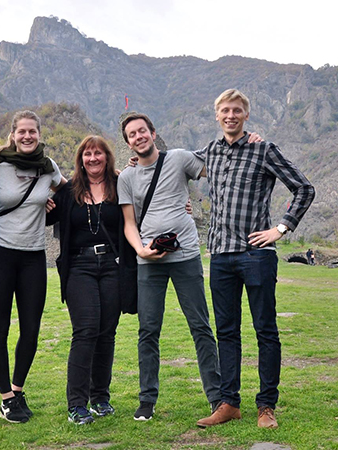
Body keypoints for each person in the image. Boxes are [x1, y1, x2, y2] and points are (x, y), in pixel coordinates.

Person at [196, 89, 315, 429]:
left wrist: (281, 228)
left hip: (256, 255)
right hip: (220, 255)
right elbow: (170, 165)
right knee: (227, 332)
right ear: (217, 115)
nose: (230, 116)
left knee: (265, 330)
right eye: (224, 111)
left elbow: (304, 188)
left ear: (246, 115)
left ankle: (266, 406)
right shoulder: (209, 153)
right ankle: (228, 403)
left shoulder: (264, 149)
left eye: (237, 110)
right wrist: (136, 161)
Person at [117, 112, 221, 423]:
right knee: (148, 330)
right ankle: (147, 400)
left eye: (142, 131)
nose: (138, 137)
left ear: (153, 132)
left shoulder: (178, 159)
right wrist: (141, 250)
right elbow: (128, 222)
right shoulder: (127, 178)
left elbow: (216, 166)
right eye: (132, 135)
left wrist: (249, 141)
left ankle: (217, 398)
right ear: (128, 143)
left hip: (186, 255)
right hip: (149, 261)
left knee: (200, 326)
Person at [46, 135, 137, 425]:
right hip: (79, 266)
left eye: (98, 153)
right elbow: (40, 207)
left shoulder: (119, 185)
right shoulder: (68, 191)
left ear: (107, 157)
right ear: (80, 159)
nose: (93, 158)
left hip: (112, 265)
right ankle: (77, 404)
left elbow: (144, 203)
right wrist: (45, 206)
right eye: (87, 154)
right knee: (85, 330)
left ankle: (100, 398)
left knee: (106, 333)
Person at [0, 110, 67, 423]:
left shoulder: (49, 168)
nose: (28, 137)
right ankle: (6, 397)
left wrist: (52, 202)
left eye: (33, 132)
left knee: (31, 329)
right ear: (13, 134)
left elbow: (71, 191)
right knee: (0, 327)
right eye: (22, 132)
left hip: (34, 255)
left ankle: (18, 390)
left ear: (39, 134)